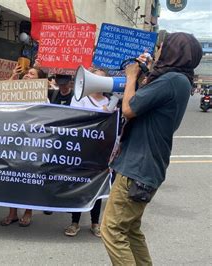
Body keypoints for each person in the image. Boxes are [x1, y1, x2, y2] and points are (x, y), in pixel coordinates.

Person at [100, 33, 203, 265]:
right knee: (131, 230)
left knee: (112, 231)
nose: (157, 52)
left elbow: (129, 108)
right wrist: (145, 76)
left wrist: (131, 76)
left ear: (173, 52)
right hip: (147, 165)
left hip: (137, 167)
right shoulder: (179, 81)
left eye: (161, 48)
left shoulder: (171, 80)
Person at [64, 69, 110, 238]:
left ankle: (95, 222)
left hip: (100, 152)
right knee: (79, 185)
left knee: (97, 186)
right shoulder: (80, 99)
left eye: (102, 79)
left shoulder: (111, 101)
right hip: (81, 150)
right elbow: (74, 120)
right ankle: (74, 221)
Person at [0, 67, 46, 227]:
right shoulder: (15, 91)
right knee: (11, 177)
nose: (27, 74)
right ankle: (12, 213)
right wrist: (13, 76)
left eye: (32, 73)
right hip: (12, 142)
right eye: (27, 73)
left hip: (31, 143)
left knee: (28, 179)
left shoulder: (43, 98)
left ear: (40, 81)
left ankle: (28, 211)